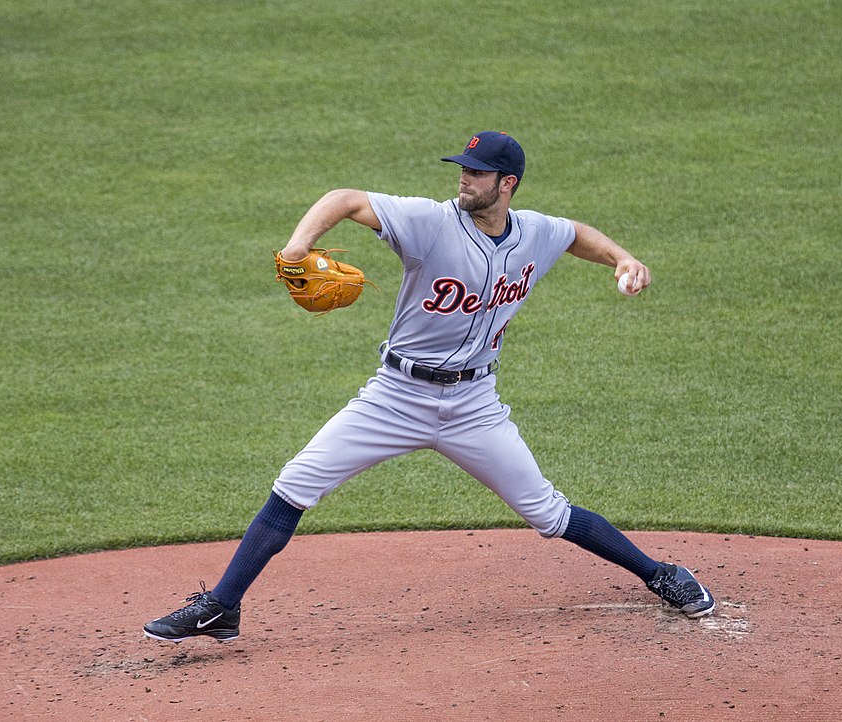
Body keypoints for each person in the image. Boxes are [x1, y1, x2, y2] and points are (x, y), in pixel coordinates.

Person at [143, 131, 715, 643]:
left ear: (506, 184)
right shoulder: (429, 221)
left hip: (473, 406)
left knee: (546, 512)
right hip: (395, 397)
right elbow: (345, 200)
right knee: (295, 483)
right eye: (462, 168)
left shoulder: (533, 232)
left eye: (477, 172)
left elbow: (573, 235)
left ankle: (661, 575)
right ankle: (222, 607)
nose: (463, 178)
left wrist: (622, 257)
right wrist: (297, 247)